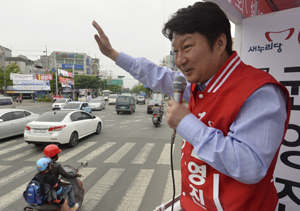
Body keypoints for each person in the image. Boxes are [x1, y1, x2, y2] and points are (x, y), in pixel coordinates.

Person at [92, 2, 291, 210]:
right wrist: (113, 54)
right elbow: (158, 76)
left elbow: (251, 165)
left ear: (220, 43)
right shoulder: (202, 83)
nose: (180, 60)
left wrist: (186, 123)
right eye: (175, 51)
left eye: (187, 47)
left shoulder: (259, 92)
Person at [43, 144, 80, 211]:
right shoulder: (57, 165)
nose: (58, 155)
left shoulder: (42, 163)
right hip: (53, 190)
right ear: (54, 157)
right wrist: (76, 174)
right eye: (57, 154)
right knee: (70, 188)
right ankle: (73, 205)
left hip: (43, 187)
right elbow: (67, 175)